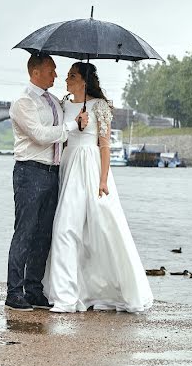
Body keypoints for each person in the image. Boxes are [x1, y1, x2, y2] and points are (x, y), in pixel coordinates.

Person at [43, 62, 154, 313]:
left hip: (91, 169)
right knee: (64, 230)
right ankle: (66, 297)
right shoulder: (63, 105)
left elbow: (104, 146)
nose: (66, 79)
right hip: (69, 167)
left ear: (84, 80)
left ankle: (102, 290)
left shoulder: (100, 107)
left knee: (99, 231)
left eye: (72, 75)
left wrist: (103, 180)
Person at [6, 54, 88, 311]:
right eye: (51, 71)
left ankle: (33, 290)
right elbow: (41, 136)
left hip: (53, 172)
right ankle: (13, 292)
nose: (55, 75)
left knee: (44, 235)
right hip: (29, 172)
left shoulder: (55, 101)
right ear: (36, 72)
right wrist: (72, 127)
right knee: (25, 232)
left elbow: (64, 133)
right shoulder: (23, 102)